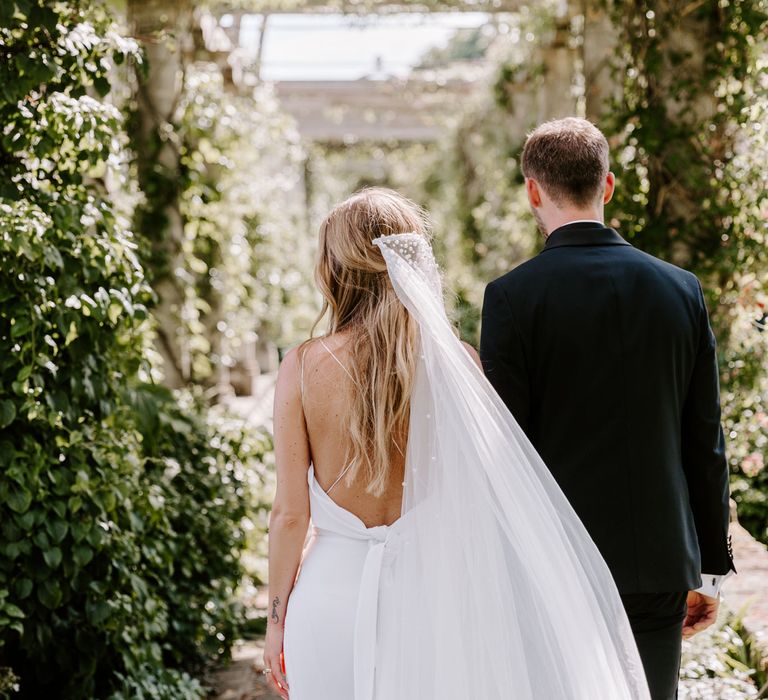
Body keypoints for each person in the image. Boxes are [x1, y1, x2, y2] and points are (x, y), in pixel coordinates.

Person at [264, 186, 651, 700]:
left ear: (335, 266)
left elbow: (290, 515)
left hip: (331, 600)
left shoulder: (304, 365)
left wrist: (275, 622)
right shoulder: (458, 364)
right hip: (434, 602)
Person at [480, 117, 736, 700]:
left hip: (557, 561)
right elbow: (705, 441)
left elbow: (508, 452)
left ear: (532, 191)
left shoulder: (512, 298)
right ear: (610, 185)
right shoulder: (680, 288)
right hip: (660, 559)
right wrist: (710, 566)